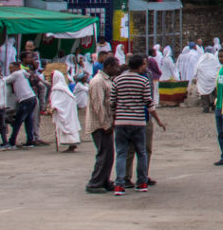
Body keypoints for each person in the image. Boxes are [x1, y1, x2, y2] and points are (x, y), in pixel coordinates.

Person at [111, 55, 164, 195]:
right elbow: (149, 104)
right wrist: (158, 120)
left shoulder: (117, 80)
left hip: (121, 121)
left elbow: (112, 102)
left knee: (121, 153)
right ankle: (142, 182)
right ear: (140, 66)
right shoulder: (143, 81)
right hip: (138, 121)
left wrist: (113, 119)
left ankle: (119, 184)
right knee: (142, 153)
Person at [85, 57, 119, 193]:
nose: (117, 70)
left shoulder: (107, 80)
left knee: (109, 154)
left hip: (106, 123)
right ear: (109, 66)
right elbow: (98, 105)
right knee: (104, 153)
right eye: (116, 67)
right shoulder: (98, 82)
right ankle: (95, 182)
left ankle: (104, 180)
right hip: (99, 124)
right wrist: (106, 124)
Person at [6, 61, 38, 148]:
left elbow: (5, 81)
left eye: (11, 68)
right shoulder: (23, 74)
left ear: (16, 67)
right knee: (28, 121)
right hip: (32, 98)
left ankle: (12, 142)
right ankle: (30, 141)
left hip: (25, 100)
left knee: (18, 122)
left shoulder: (17, 74)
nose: (10, 70)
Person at [49, 70, 81, 152]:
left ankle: (71, 144)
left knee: (66, 126)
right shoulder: (64, 88)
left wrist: (53, 107)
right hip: (69, 111)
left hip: (65, 111)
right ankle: (72, 143)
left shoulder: (57, 89)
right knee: (70, 125)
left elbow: (58, 101)